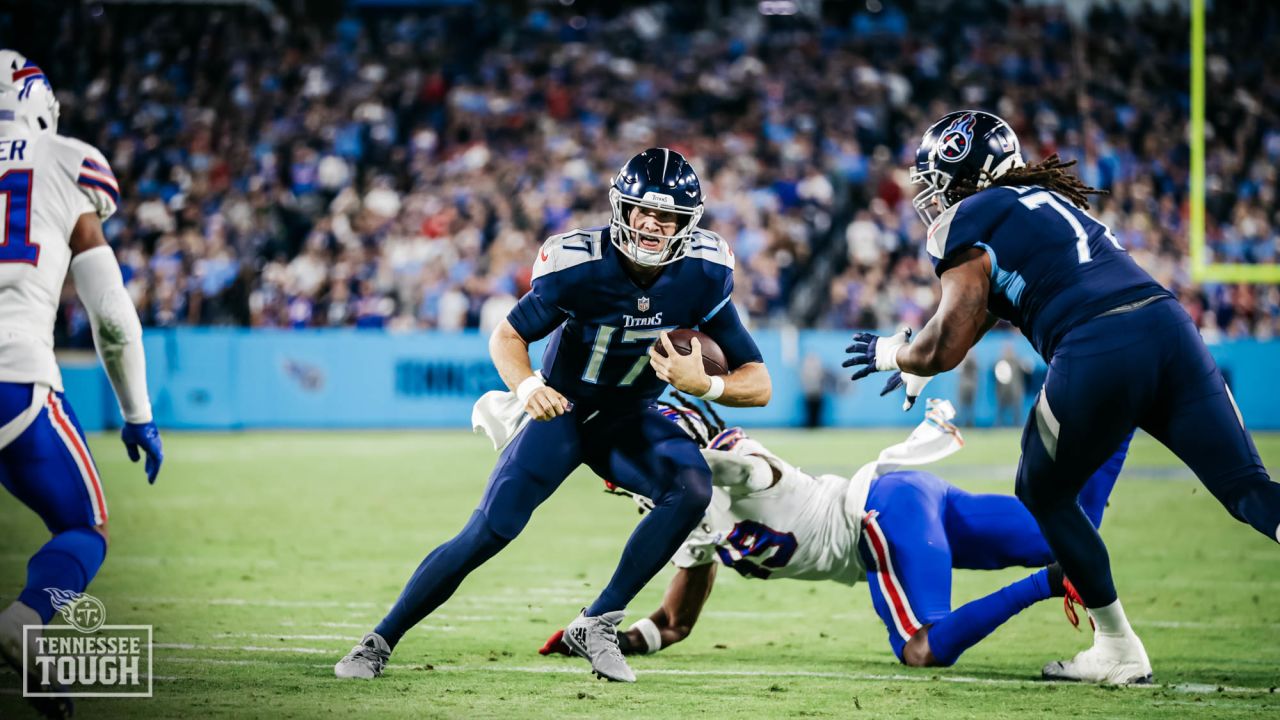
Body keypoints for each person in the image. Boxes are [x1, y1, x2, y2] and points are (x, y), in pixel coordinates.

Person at [844, 110, 1280, 684]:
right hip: (1169, 325)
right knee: (1248, 488)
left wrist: (893, 353)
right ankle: (1116, 645)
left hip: (1098, 341)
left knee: (1041, 492)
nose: (933, 196)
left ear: (964, 174)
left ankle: (1118, 647)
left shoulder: (969, 218)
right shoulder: (1048, 204)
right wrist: (924, 353)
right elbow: (980, 314)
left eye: (938, 180)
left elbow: (945, 343)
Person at [335, 148, 771, 683]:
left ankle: (598, 622)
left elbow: (759, 381)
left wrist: (708, 385)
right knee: (490, 531)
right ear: (622, 208)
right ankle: (378, 640)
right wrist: (527, 386)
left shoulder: (703, 273)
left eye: (669, 216)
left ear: (689, 222)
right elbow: (508, 335)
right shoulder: (579, 263)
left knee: (692, 487)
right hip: (562, 411)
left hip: (631, 417)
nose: (653, 225)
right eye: (643, 211)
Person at [539, 398, 1126, 667]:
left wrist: (693, 464)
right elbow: (675, 624)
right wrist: (602, 637)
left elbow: (748, 466)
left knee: (922, 648)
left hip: (876, 519)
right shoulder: (689, 520)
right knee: (1070, 532)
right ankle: (1123, 414)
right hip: (908, 497)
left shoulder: (728, 464)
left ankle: (1050, 584)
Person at [0, 52, 164, 718]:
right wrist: (137, 412)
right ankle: (27, 620)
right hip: (15, 374)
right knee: (83, 526)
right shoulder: (65, 159)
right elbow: (112, 316)